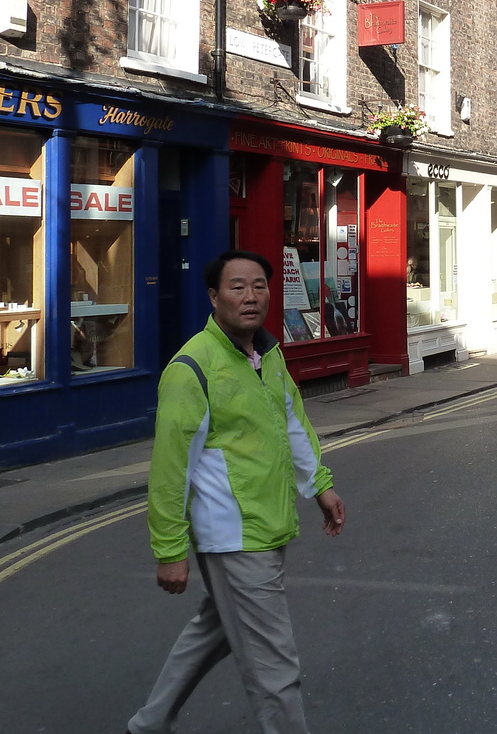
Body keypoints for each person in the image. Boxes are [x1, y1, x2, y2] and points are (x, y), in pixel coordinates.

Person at [128, 250, 345, 734]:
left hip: (266, 525)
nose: (250, 296)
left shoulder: (267, 354)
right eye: (237, 286)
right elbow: (170, 468)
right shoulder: (192, 368)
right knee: (275, 669)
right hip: (233, 534)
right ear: (213, 297)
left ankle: (149, 723)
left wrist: (320, 487)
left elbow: (293, 423)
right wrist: (169, 550)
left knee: (217, 627)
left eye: (259, 286)